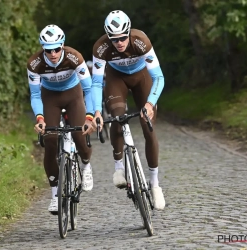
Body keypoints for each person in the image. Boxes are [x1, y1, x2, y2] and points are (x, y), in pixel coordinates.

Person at [91, 10, 165, 210]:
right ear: (108, 37)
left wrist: (149, 104)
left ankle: (155, 184)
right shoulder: (101, 47)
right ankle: (119, 167)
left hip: (142, 78)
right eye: (114, 39)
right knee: (117, 118)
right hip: (116, 79)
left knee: (147, 126)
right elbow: (96, 83)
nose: (120, 42)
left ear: (129, 32)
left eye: (123, 37)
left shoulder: (141, 41)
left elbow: (159, 77)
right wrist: (96, 111)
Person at [27, 24, 94, 214]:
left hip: (74, 95)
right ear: (43, 49)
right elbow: (34, 95)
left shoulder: (75, 57)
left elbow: (88, 89)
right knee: (49, 140)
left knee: (80, 135)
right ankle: (55, 194)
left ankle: (86, 164)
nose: (53, 53)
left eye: (57, 49)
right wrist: (40, 118)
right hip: (50, 98)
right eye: (49, 50)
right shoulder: (34, 63)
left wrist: (89, 117)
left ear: (62, 45)